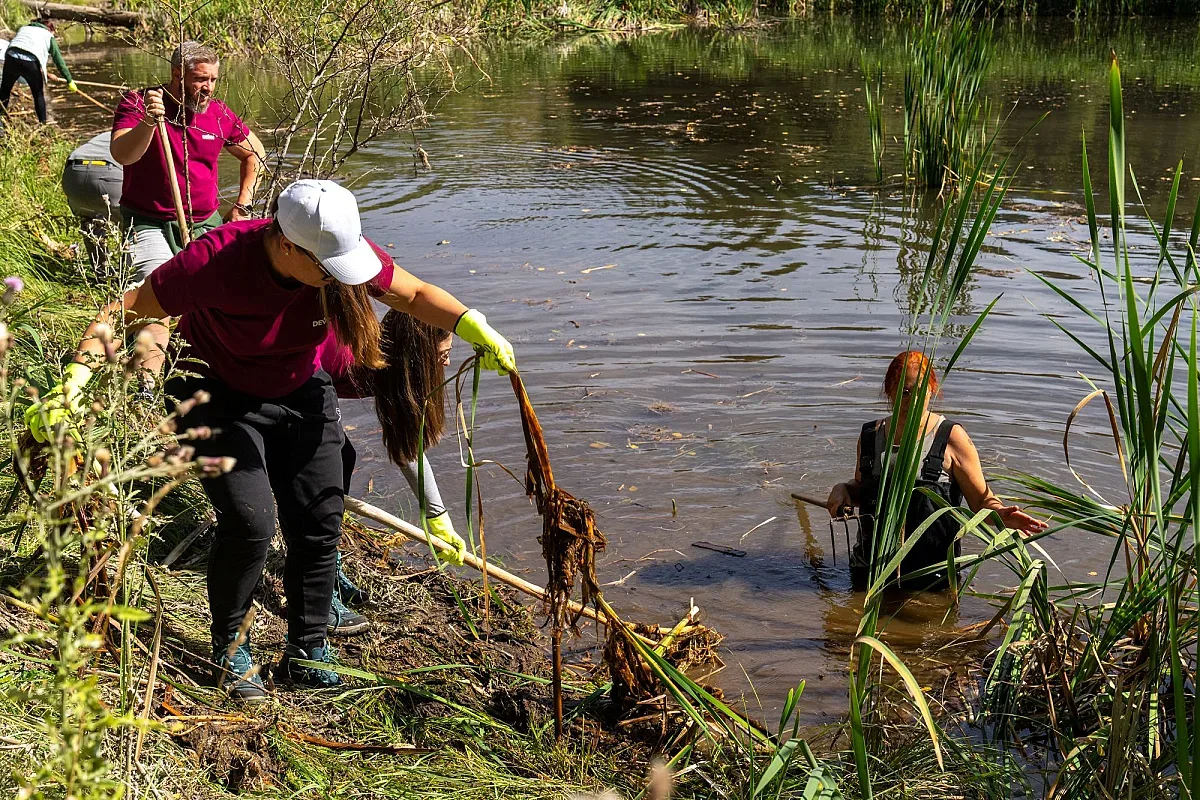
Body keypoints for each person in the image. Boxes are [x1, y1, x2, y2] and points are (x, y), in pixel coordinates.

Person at [25, 179, 517, 702]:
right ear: (285, 243)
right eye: (327, 268)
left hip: (300, 388)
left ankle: (308, 649)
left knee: (320, 516)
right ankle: (230, 648)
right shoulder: (214, 262)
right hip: (213, 391)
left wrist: (472, 323)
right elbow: (126, 311)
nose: (339, 279)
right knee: (251, 520)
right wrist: (73, 381)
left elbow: (414, 295)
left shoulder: (339, 251)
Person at [825, 351, 1047, 591]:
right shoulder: (870, 436)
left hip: (932, 578)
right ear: (889, 392)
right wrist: (843, 490)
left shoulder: (951, 438)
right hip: (870, 572)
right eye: (905, 393)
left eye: (920, 391)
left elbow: (981, 500)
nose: (913, 401)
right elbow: (865, 492)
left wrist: (1003, 515)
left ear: (932, 390)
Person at [318, 312, 464, 636]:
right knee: (328, 465)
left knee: (342, 456)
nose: (448, 365)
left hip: (312, 383)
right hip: (274, 379)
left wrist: (437, 517)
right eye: (443, 355)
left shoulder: (391, 365)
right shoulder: (348, 355)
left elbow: (406, 447)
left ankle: (327, 564)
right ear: (420, 356)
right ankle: (316, 590)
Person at [110, 41, 265, 285]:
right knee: (158, 296)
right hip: (149, 222)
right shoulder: (141, 102)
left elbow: (255, 154)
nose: (209, 88)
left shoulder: (218, 113)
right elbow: (122, 154)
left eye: (214, 80)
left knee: (232, 289)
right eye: (201, 79)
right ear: (176, 74)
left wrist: (242, 206)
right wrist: (150, 121)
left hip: (205, 223)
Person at [61, 131, 123, 270]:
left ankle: (101, 273)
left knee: (90, 222)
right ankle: (132, 280)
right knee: (134, 225)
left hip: (73, 174)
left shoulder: (114, 132)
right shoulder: (143, 136)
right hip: (109, 175)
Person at [0, 16, 77, 124]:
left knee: (4, 91)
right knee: (38, 95)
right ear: (50, 29)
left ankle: (1, 120)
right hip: (30, 62)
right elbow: (59, 61)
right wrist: (69, 80)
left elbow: (23, 48)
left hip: (11, 57)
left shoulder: (24, 28)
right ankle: (43, 125)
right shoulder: (48, 35)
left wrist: (47, 73)